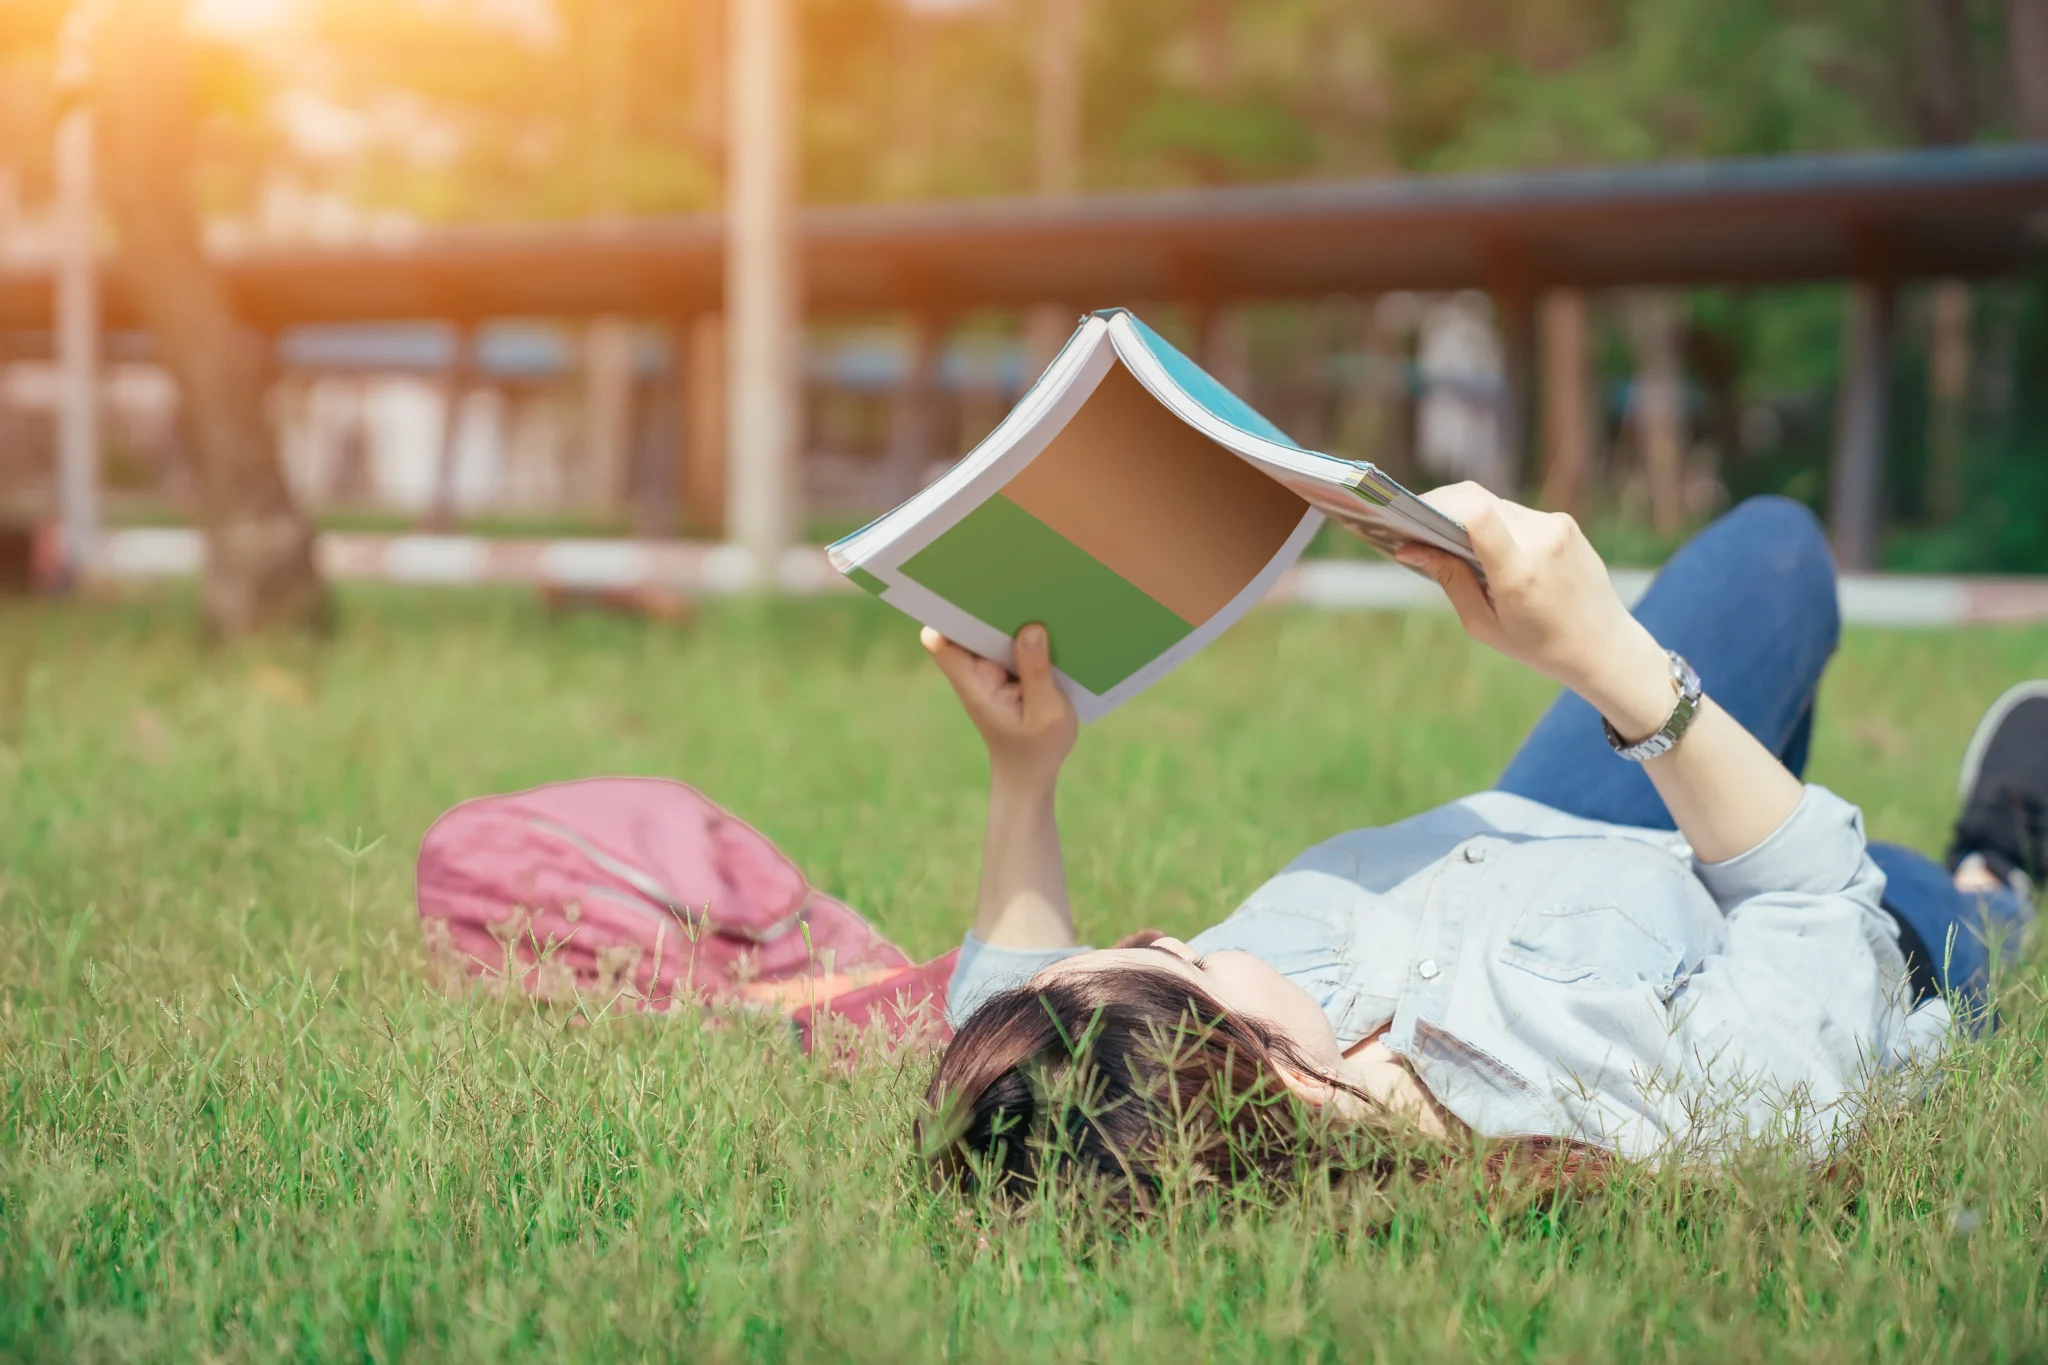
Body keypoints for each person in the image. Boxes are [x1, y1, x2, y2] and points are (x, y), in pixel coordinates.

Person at [914, 487, 2043, 1202]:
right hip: (1819, 918)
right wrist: (1605, 657)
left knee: (1772, 554)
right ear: (1279, 1086)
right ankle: (1996, 875)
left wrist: (1024, 771)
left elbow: (1014, 1007)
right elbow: (1810, 900)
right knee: (1915, 897)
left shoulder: (1150, 1062)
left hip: (1557, 833)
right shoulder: (1624, 1111)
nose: (1166, 932)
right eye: (1186, 959)